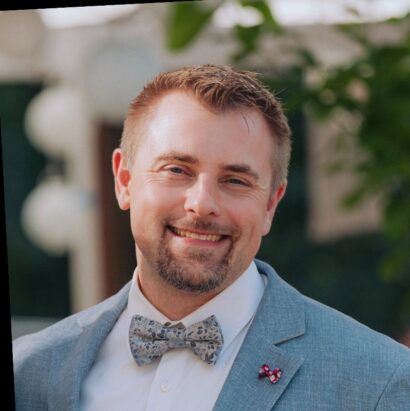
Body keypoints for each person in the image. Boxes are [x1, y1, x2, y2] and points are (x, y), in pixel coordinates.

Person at [13, 64, 410, 410]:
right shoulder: (29, 373)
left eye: (235, 180)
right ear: (124, 180)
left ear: (271, 204)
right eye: (176, 170)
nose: (202, 204)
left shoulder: (378, 381)